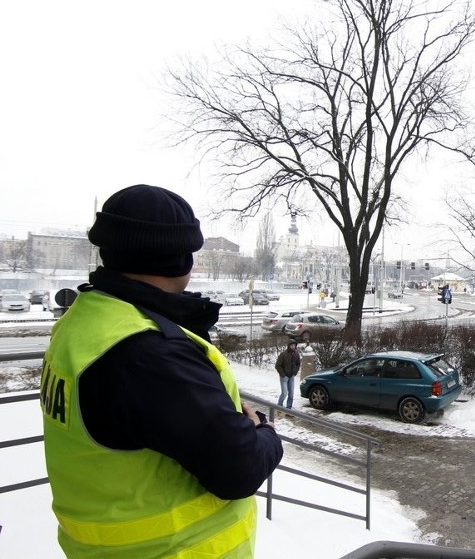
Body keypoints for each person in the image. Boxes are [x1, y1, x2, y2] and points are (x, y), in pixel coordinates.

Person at [40, 184, 283, 558]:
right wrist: (265, 433)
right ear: (181, 261)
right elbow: (240, 467)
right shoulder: (149, 355)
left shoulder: (86, 322)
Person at [275, 339, 302, 409]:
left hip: (291, 377)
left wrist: (295, 371)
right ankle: (279, 406)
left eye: (294, 345)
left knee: (291, 394)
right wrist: (283, 374)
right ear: (289, 346)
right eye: (292, 345)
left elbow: (298, 364)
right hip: (284, 377)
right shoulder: (283, 354)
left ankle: (289, 408)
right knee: (284, 393)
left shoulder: (296, 354)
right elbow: (278, 365)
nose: (293, 347)